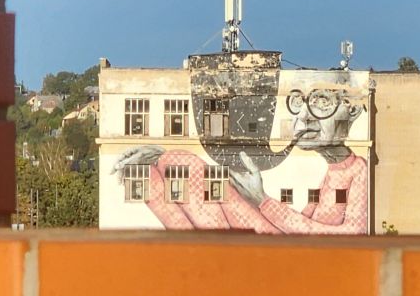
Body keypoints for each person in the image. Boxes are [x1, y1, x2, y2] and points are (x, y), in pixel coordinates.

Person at [113, 85, 368, 233]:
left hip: (280, 254)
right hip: (279, 242)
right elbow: (304, 225)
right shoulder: (334, 171)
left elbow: (349, 234)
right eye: (298, 105)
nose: (304, 118)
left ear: (353, 111)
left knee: (184, 167)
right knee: (176, 164)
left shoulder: (360, 171)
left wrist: (262, 201)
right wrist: (254, 197)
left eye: (322, 105)